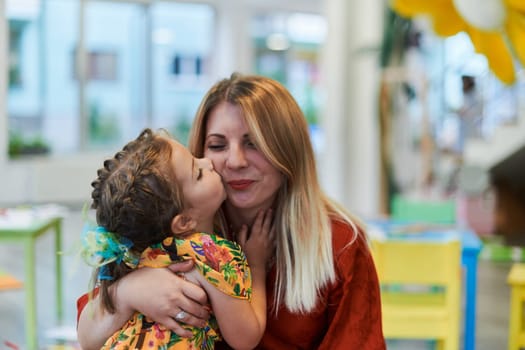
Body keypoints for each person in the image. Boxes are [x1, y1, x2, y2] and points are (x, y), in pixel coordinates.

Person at [77, 73, 386, 349]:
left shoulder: (340, 246)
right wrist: (129, 292)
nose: (235, 161)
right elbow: (87, 337)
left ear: (288, 151)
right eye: (218, 145)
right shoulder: (163, 230)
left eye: (254, 144)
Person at [78, 128, 273, 349]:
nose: (207, 163)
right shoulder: (212, 255)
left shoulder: (136, 255)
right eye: (198, 173)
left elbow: (88, 341)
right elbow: (245, 338)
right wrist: (256, 266)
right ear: (184, 222)